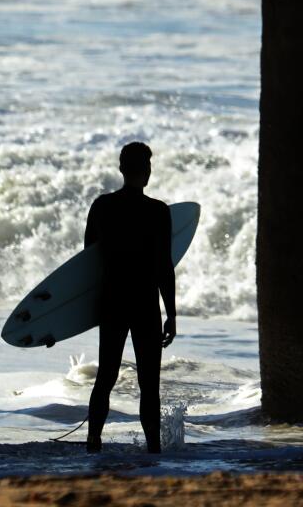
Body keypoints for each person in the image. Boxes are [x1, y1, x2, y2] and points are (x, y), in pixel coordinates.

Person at [83, 141, 176, 453]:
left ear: (121, 169)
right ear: (147, 171)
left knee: (106, 377)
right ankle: (153, 448)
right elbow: (165, 267)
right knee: (149, 384)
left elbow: (86, 263)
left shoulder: (101, 207)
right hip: (145, 304)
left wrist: (84, 312)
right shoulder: (158, 212)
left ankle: (93, 441)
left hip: (111, 302)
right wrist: (171, 313)